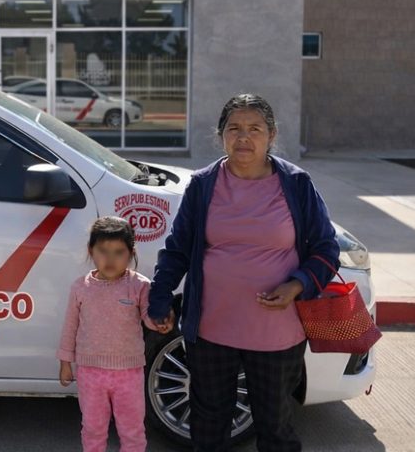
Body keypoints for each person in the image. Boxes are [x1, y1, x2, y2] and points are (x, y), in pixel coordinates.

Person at [145, 93, 340, 452]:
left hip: (276, 336)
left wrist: (298, 284)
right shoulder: (204, 185)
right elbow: (177, 250)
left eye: (255, 129)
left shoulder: (296, 184)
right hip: (211, 331)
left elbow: (326, 249)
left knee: (275, 428)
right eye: (234, 128)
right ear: (221, 134)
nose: (244, 137)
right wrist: (159, 300)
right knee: (208, 427)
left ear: (272, 135)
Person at [57, 216, 154, 452]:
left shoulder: (140, 285)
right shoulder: (81, 287)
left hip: (129, 373)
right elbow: (70, 326)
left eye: (118, 252)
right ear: (91, 250)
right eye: (103, 251)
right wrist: (65, 362)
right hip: (90, 372)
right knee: (93, 428)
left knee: (132, 430)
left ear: (130, 253)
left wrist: (162, 320)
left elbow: (149, 319)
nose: (110, 259)